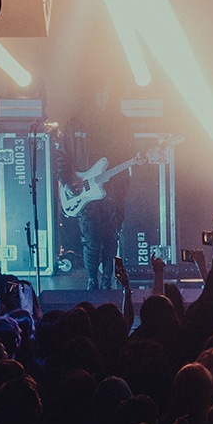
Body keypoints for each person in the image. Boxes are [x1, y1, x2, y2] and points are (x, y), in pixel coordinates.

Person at [65, 82, 130, 291]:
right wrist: (67, 182)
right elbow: (63, 157)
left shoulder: (119, 124)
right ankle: (92, 281)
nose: (105, 97)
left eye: (108, 93)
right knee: (91, 241)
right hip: (86, 193)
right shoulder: (75, 125)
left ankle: (107, 282)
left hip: (111, 193)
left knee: (111, 241)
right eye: (100, 92)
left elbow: (126, 155)